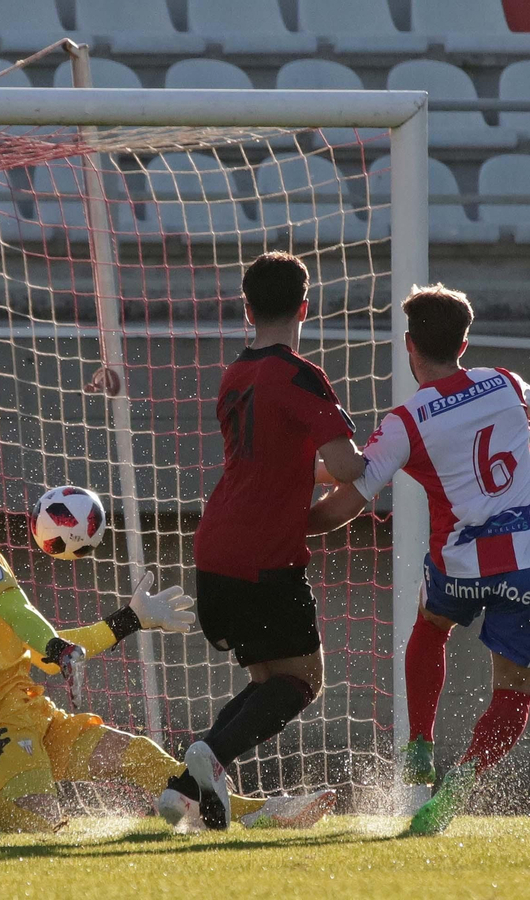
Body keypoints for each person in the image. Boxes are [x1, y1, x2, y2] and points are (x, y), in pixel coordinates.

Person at [0, 447, 336, 836]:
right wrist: (58, 649)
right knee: (33, 822)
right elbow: (21, 614)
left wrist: (129, 619)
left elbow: (37, 648)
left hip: (29, 710)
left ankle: (256, 812)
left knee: (140, 757)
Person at [308, 284, 530, 835]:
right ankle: (463, 780)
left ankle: (420, 739)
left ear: (409, 345)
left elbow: (344, 502)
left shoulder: (406, 420)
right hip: (527, 566)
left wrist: (296, 515)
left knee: (431, 623)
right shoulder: (505, 382)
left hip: (459, 568)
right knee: (514, 695)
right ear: (464, 342)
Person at [183, 252, 365, 829]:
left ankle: (185, 793)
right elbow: (344, 464)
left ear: (247, 309)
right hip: (264, 558)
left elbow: (282, 468)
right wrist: (384, 458)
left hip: (216, 547)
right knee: (301, 680)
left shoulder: (235, 373)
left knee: (266, 680)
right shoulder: (299, 373)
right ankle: (207, 760)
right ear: (305, 307)